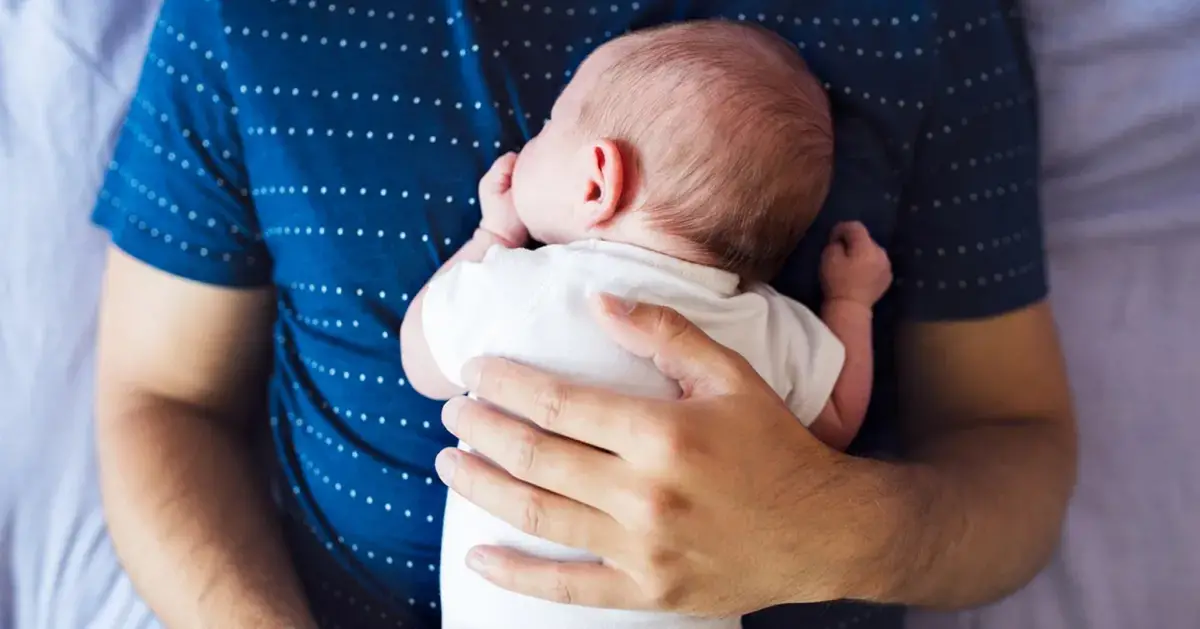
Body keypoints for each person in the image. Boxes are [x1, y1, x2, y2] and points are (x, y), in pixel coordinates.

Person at [91, 1, 1075, 629]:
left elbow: (1014, 444)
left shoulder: (922, 20)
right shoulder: (248, 18)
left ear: (597, 172)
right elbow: (160, 399)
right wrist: (851, 301)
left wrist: (823, 531)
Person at [401, 22, 891, 628]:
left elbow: (420, 360)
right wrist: (850, 303)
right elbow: (837, 423)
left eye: (551, 126)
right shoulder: (765, 326)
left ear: (596, 182)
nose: (533, 140)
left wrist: (491, 236)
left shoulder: (521, 286)